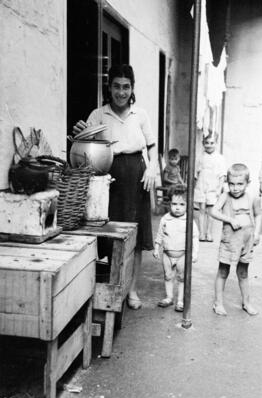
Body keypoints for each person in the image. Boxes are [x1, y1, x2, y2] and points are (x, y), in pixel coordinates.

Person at [73, 64, 157, 310]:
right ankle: (112, 288)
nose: (121, 92)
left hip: (137, 175)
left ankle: (131, 290)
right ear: (109, 88)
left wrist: (152, 168)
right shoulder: (98, 114)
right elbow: (84, 145)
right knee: (109, 232)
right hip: (108, 175)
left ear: (132, 88)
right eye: (117, 86)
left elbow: (151, 146)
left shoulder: (140, 115)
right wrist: (79, 133)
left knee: (137, 234)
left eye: (126, 87)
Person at [210, 163, 262, 316]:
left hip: (246, 241)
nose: (235, 188)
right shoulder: (225, 196)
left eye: (240, 184)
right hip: (229, 241)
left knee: (243, 272)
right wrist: (229, 219)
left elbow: (259, 214)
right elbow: (213, 211)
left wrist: (257, 233)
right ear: (227, 183)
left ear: (248, 183)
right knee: (223, 271)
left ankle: (246, 302)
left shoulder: (252, 197)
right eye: (232, 184)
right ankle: (218, 303)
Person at [153, 186, 199, 312]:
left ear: (187, 204)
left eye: (181, 204)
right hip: (167, 254)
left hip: (182, 255)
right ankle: (169, 297)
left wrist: (194, 253)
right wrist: (157, 248)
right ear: (169, 203)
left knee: (182, 278)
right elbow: (160, 234)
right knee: (168, 276)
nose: (177, 207)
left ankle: (180, 300)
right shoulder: (165, 219)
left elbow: (195, 237)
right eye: (174, 204)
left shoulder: (188, 220)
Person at [194, 131, 226, 242]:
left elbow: (222, 175)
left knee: (211, 211)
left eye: (212, 143)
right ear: (203, 143)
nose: (209, 145)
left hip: (213, 186)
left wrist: (219, 188)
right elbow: (196, 173)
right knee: (202, 210)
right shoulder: (200, 156)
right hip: (202, 185)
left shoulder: (220, 158)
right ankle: (201, 233)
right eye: (206, 142)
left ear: (216, 143)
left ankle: (209, 233)